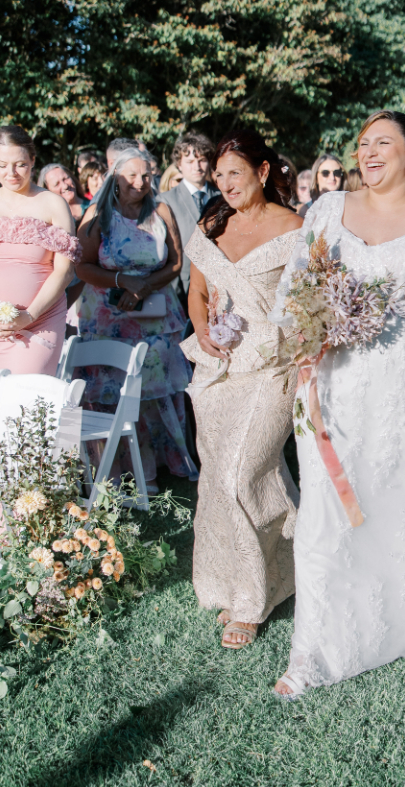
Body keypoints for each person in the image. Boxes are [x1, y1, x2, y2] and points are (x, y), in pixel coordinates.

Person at [272, 111, 405, 698]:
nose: (368, 152)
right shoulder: (327, 209)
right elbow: (296, 285)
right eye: (362, 144)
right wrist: (309, 331)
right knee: (327, 507)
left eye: (382, 143)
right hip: (335, 380)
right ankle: (313, 649)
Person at [182, 129, 303, 650]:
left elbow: (313, 299)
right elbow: (197, 291)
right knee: (221, 478)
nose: (225, 183)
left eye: (236, 172)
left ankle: (251, 601)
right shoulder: (212, 225)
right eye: (219, 175)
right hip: (218, 370)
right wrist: (203, 330)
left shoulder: (297, 228)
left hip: (274, 369)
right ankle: (284, 570)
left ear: (263, 171)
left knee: (238, 476)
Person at [75, 148, 196, 486]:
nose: (140, 182)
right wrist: (120, 281)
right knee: (113, 391)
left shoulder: (160, 211)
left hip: (155, 311)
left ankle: (158, 467)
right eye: (131, 175)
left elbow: (174, 262)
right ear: (115, 176)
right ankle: (120, 468)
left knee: (155, 390)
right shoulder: (98, 214)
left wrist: (142, 287)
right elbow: (81, 265)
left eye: (146, 175)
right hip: (107, 315)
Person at [0, 125, 79, 375]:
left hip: (39, 322)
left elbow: (64, 271)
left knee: (26, 402)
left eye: (20, 164)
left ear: (32, 160)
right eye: (1, 165)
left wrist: (29, 316)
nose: (11, 173)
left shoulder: (53, 204)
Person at [159, 132, 218, 308]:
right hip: (180, 284)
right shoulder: (166, 200)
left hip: (217, 283)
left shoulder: (223, 197)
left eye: (202, 160)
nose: (197, 167)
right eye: (190, 162)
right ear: (179, 164)